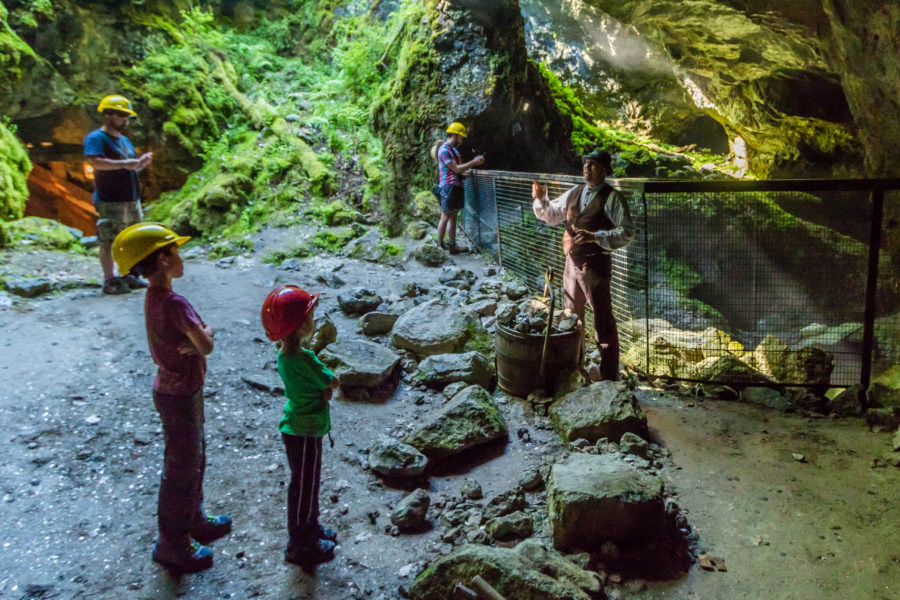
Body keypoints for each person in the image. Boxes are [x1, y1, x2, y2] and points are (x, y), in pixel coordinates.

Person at [111, 222, 232, 574]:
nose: (181, 257)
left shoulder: (154, 298)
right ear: (163, 259)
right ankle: (172, 544)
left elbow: (193, 344)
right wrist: (205, 332)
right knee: (181, 469)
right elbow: (206, 344)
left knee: (192, 458)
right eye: (175, 251)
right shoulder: (176, 303)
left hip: (172, 390)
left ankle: (194, 520)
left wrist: (194, 341)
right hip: (181, 395)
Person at [531, 149, 635, 381]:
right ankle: (574, 366)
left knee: (602, 319)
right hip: (572, 262)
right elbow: (552, 215)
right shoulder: (575, 192)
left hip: (596, 265)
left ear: (605, 171)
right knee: (571, 314)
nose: (587, 168)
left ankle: (609, 375)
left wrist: (595, 236)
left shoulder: (612, 197)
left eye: (594, 164)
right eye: (586, 163)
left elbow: (627, 232)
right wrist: (540, 199)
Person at [261, 285, 341, 567]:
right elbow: (332, 381)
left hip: (296, 426)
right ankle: (300, 544)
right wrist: (326, 387)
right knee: (305, 487)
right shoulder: (304, 358)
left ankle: (311, 528)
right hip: (306, 430)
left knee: (305, 484)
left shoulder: (284, 355)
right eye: (311, 316)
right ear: (301, 325)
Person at [84, 94, 154, 295]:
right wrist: (124, 164)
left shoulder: (124, 141)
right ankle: (109, 280)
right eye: (121, 115)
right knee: (108, 241)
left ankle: (128, 275)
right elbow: (94, 162)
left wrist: (139, 165)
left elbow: (128, 169)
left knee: (130, 239)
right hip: (110, 200)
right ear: (108, 115)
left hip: (131, 198)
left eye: (127, 116)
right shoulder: (96, 138)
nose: (125, 120)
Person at [436, 121, 484, 254]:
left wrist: (474, 164)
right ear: (455, 135)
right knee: (445, 215)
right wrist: (473, 162)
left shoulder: (455, 151)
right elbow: (456, 169)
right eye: (461, 137)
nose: (462, 140)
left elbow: (461, 169)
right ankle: (439, 247)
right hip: (448, 186)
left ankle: (452, 246)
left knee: (453, 216)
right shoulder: (444, 150)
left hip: (457, 185)